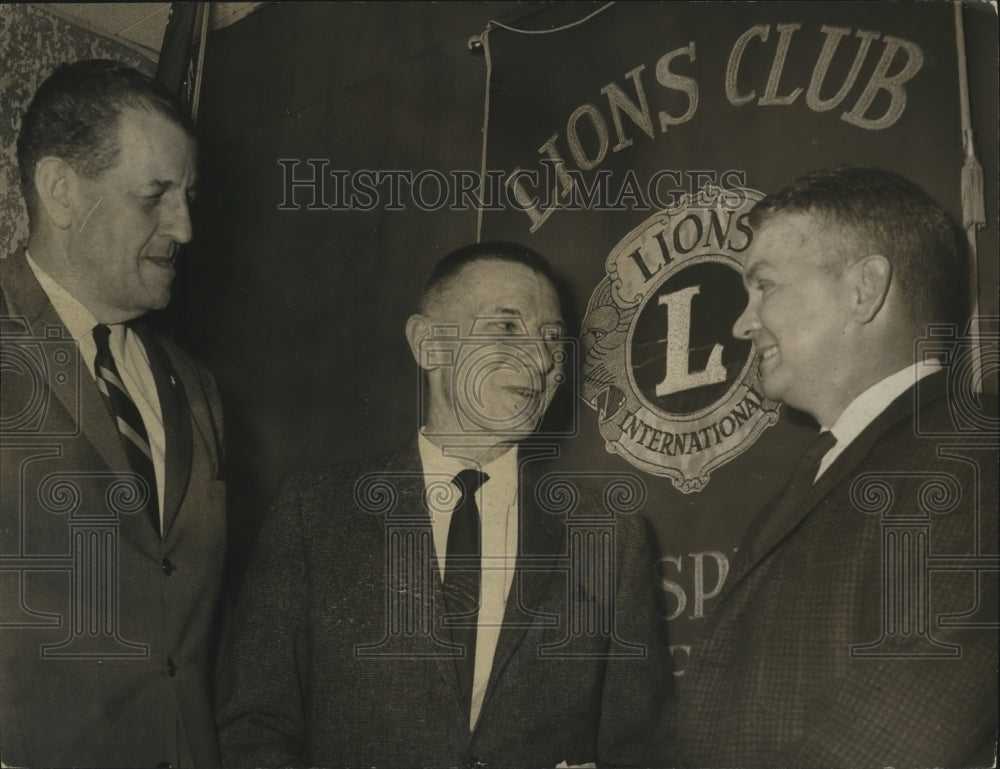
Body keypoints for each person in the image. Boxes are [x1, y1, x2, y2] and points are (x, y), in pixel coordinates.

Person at [216, 242, 669, 768]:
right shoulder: (314, 512)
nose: (543, 360)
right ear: (429, 343)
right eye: (506, 328)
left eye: (552, 339)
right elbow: (253, 726)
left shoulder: (610, 535)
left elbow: (642, 747)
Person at [675, 165, 998, 767]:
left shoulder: (976, 454)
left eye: (765, 286)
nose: (744, 323)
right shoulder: (825, 473)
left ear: (864, 290)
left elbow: (898, 731)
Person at [0, 60, 226, 768]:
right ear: (62, 191)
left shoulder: (196, 387)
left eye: (188, 196)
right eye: (156, 195)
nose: (184, 227)